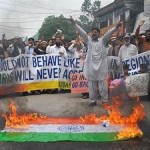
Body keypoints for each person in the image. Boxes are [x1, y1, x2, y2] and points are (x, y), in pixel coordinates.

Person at [70, 16, 122, 106]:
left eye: (95, 32)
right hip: (91, 66)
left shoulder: (103, 41)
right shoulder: (89, 41)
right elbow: (83, 33)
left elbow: (108, 33)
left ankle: (104, 100)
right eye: (92, 32)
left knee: (103, 84)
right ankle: (93, 101)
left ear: (99, 34)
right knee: (92, 84)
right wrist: (74, 24)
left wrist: (116, 27)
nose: (93, 34)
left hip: (101, 66)